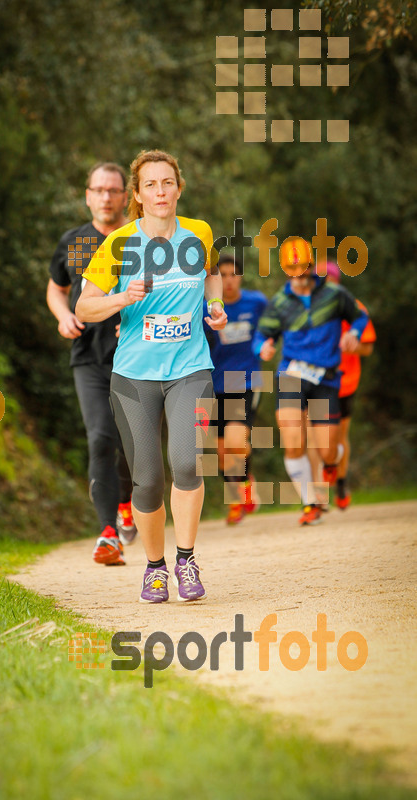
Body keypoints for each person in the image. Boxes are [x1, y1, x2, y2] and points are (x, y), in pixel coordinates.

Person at [76, 149, 227, 603]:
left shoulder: (198, 233)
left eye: (167, 182)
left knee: (186, 462)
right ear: (138, 196)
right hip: (134, 376)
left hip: (190, 369)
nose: (160, 191)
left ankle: (186, 559)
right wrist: (122, 298)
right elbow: (84, 306)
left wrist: (214, 307)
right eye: (150, 185)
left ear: (179, 187)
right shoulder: (120, 244)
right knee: (147, 479)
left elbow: (212, 273)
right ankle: (155, 568)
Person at [47, 162, 136, 567]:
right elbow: (56, 287)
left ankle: (129, 502)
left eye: (113, 190)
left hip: (137, 357)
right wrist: (62, 315)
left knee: (133, 444)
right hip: (89, 358)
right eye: (98, 190)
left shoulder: (140, 238)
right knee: (100, 437)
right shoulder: (73, 242)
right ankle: (108, 533)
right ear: (87, 195)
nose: (105, 197)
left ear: (125, 195)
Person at [253, 237, 370, 526]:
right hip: (291, 375)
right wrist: (262, 348)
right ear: (285, 270)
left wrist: (353, 334)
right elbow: (260, 336)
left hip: (326, 379)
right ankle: (309, 504)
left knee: (327, 450)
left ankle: (332, 465)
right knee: (293, 443)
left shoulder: (334, 294)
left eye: (304, 268)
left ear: (311, 265)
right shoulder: (279, 302)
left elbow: (360, 318)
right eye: (294, 270)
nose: (301, 276)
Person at [203, 254, 267, 525]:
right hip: (212, 383)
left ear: (240, 276)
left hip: (245, 380)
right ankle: (241, 487)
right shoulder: (205, 308)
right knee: (221, 451)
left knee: (235, 441)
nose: (228, 280)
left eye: (233, 274)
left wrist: (264, 344)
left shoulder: (257, 303)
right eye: (223, 275)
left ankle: (238, 497)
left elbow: (270, 329)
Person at [323, 261, 376, 508]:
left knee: (340, 435)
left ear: (338, 283)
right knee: (319, 436)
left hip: (346, 382)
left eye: (329, 280)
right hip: (318, 380)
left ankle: (341, 481)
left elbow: (368, 347)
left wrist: (356, 346)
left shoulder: (355, 308)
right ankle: (317, 494)